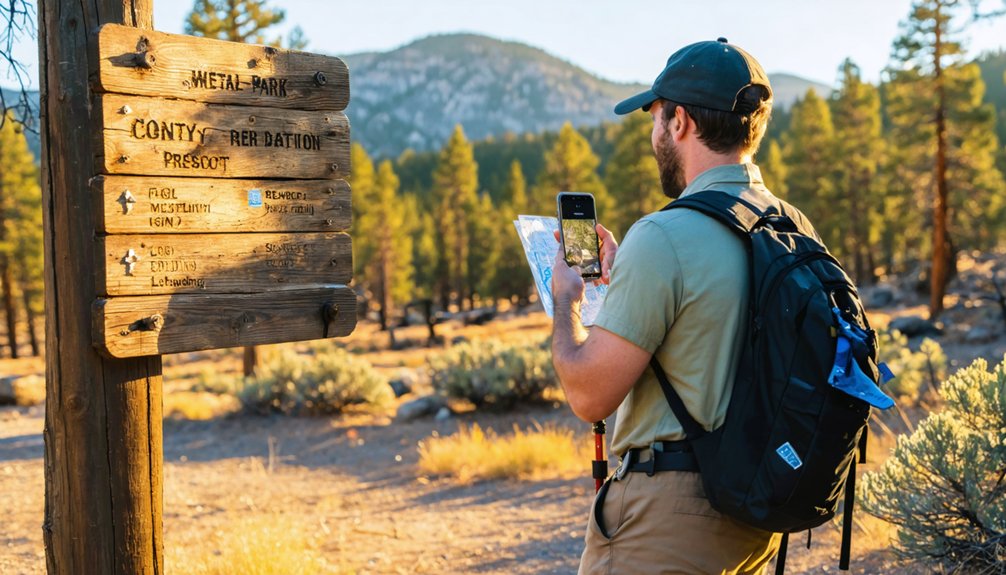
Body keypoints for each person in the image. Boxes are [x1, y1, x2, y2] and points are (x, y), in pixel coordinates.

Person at [551, 38, 789, 574]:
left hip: (665, 521)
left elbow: (590, 394)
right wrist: (624, 285)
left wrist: (567, 301)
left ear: (679, 122)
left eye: (655, 117)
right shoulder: (790, 226)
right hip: (756, 515)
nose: (654, 133)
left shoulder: (664, 235)